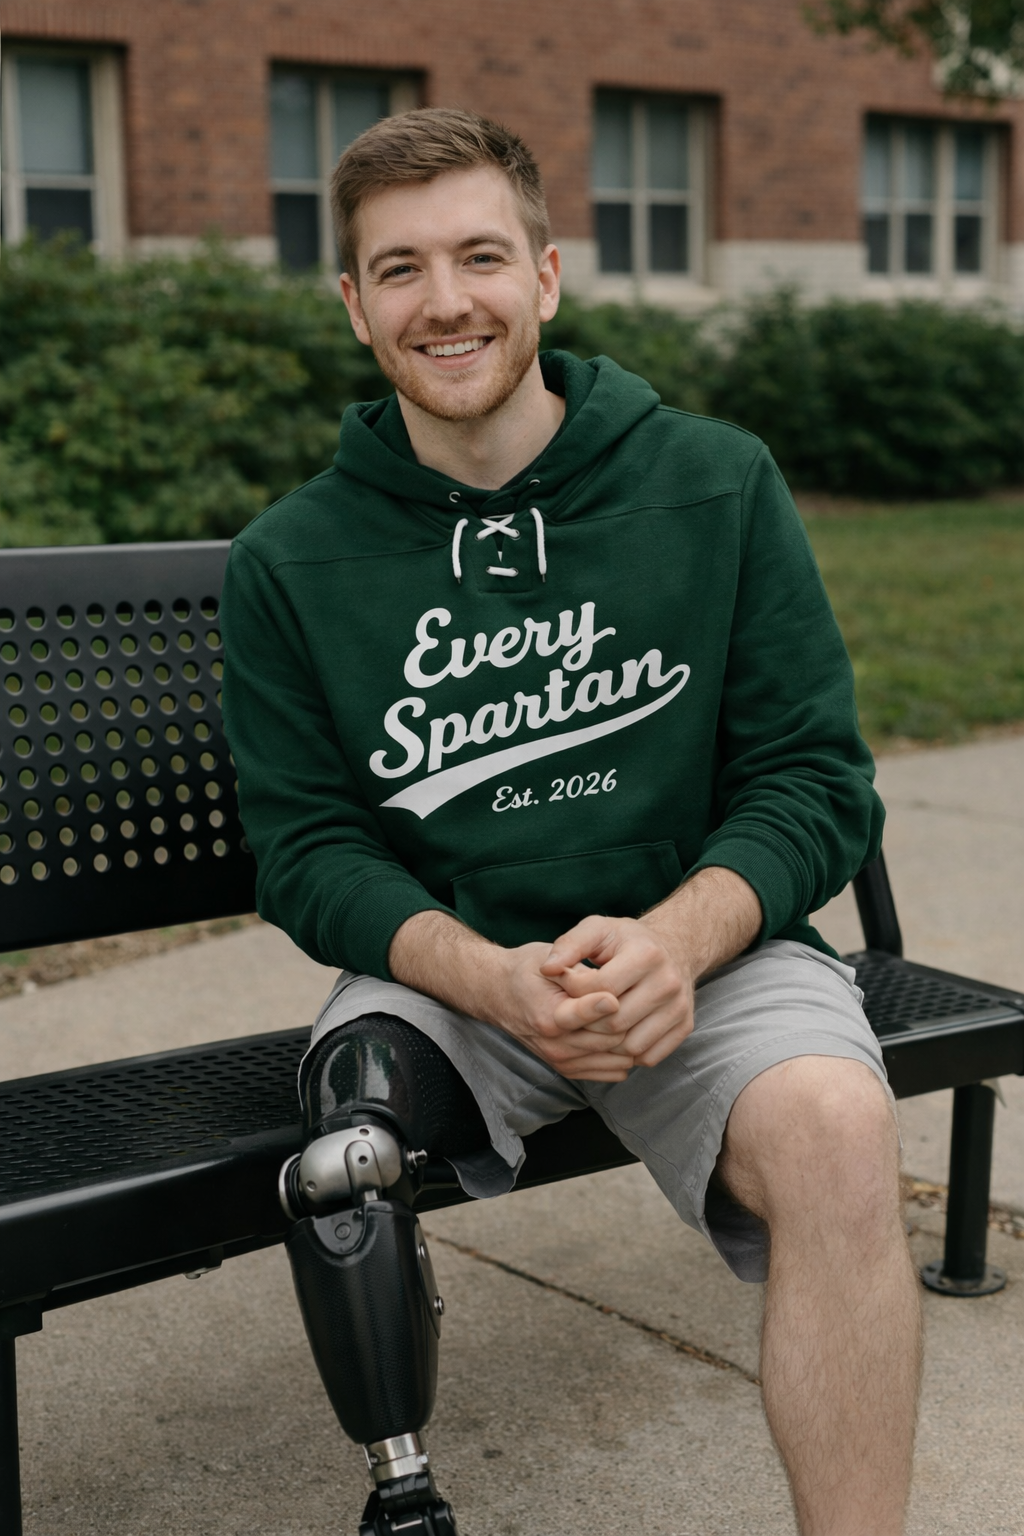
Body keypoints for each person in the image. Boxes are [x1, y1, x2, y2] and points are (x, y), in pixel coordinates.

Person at [221, 107, 921, 1536]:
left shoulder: (717, 482)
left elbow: (814, 779)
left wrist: (680, 937)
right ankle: (403, 1487)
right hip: (458, 975)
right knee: (346, 1135)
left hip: (703, 955)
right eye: (400, 269)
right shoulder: (290, 560)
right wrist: (485, 977)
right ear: (354, 306)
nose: (448, 300)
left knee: (843, 1131)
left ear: (545, 277)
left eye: (482, 255)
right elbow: (306, 850)